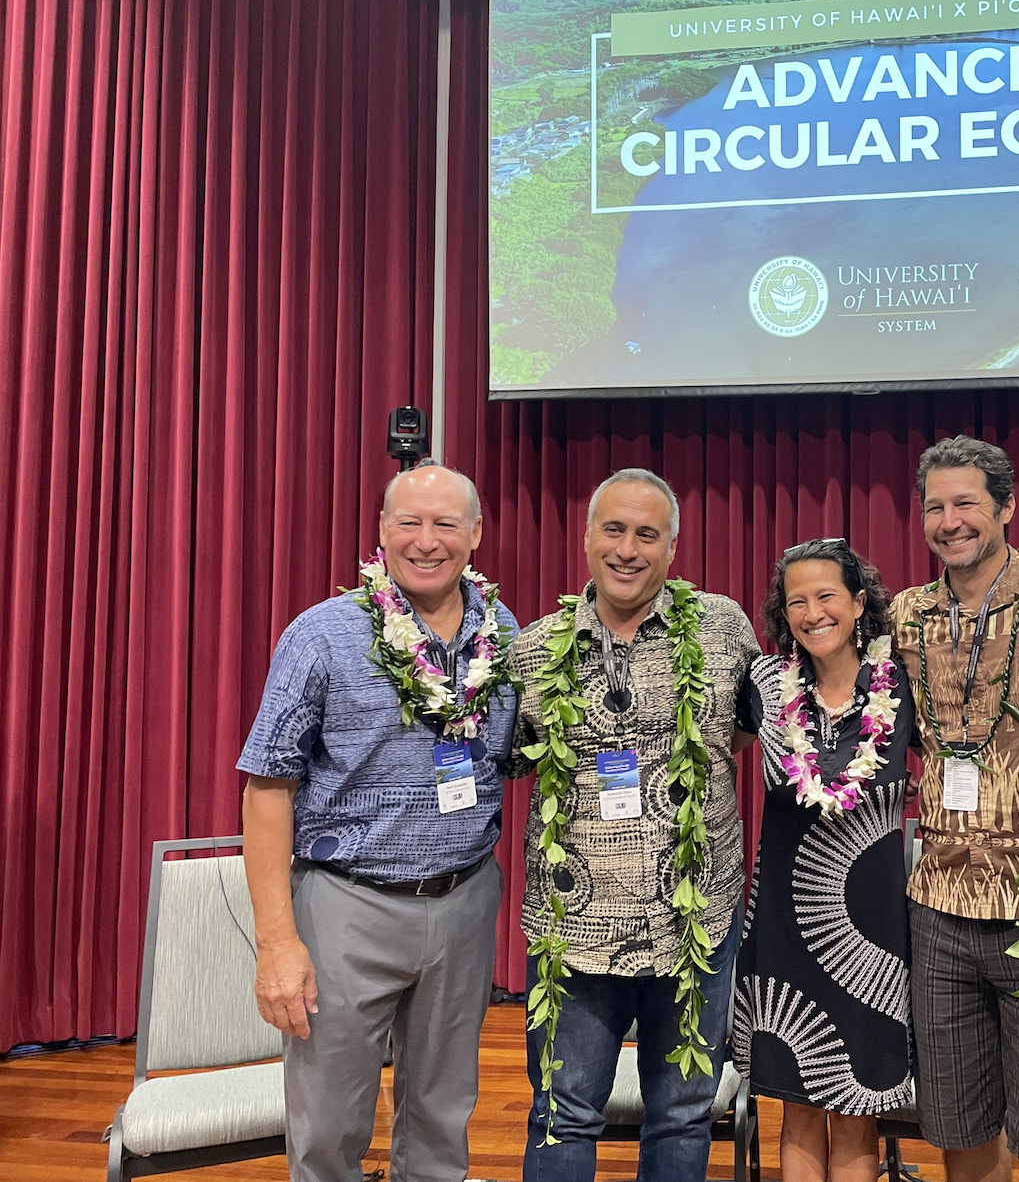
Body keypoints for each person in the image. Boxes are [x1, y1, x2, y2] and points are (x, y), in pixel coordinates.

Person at [238, 460, 520, 1182]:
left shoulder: (503, 632)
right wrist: (277, 943)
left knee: (441, 1120)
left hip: (464, 901)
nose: (426, 541)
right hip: (346, 907)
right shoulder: (322, 635)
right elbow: (267, 787)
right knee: (329, 1127)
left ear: (476, 534)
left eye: (445, 524)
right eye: (409, 522)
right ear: (382, 531)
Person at [508, 467, 760, 1182]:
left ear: (672, 547)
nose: (627, 549)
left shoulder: (722, 628)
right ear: (587, 538)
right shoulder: (534, 650)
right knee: (562, 1116)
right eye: (613, 530)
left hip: (695, 924)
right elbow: (507, 758)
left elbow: (740, 736)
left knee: (683, 1113)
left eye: (646, 534)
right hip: (573, 934)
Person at [890, 437, 1019, 1182]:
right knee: (958, 1120)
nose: (949, 522)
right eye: (934, 507)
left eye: (966, 504)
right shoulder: (906, 614)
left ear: (1007, 507)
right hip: (938, 900)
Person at [733, 539, 918, 1182]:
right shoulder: (763, 683)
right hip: (786, 921)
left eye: (827, 596)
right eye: (797, 602)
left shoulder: (902, 682)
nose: (812, 613)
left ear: (859, 602)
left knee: (858, 1106)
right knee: (798, 1104)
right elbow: (716, 749)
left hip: (871, 934)